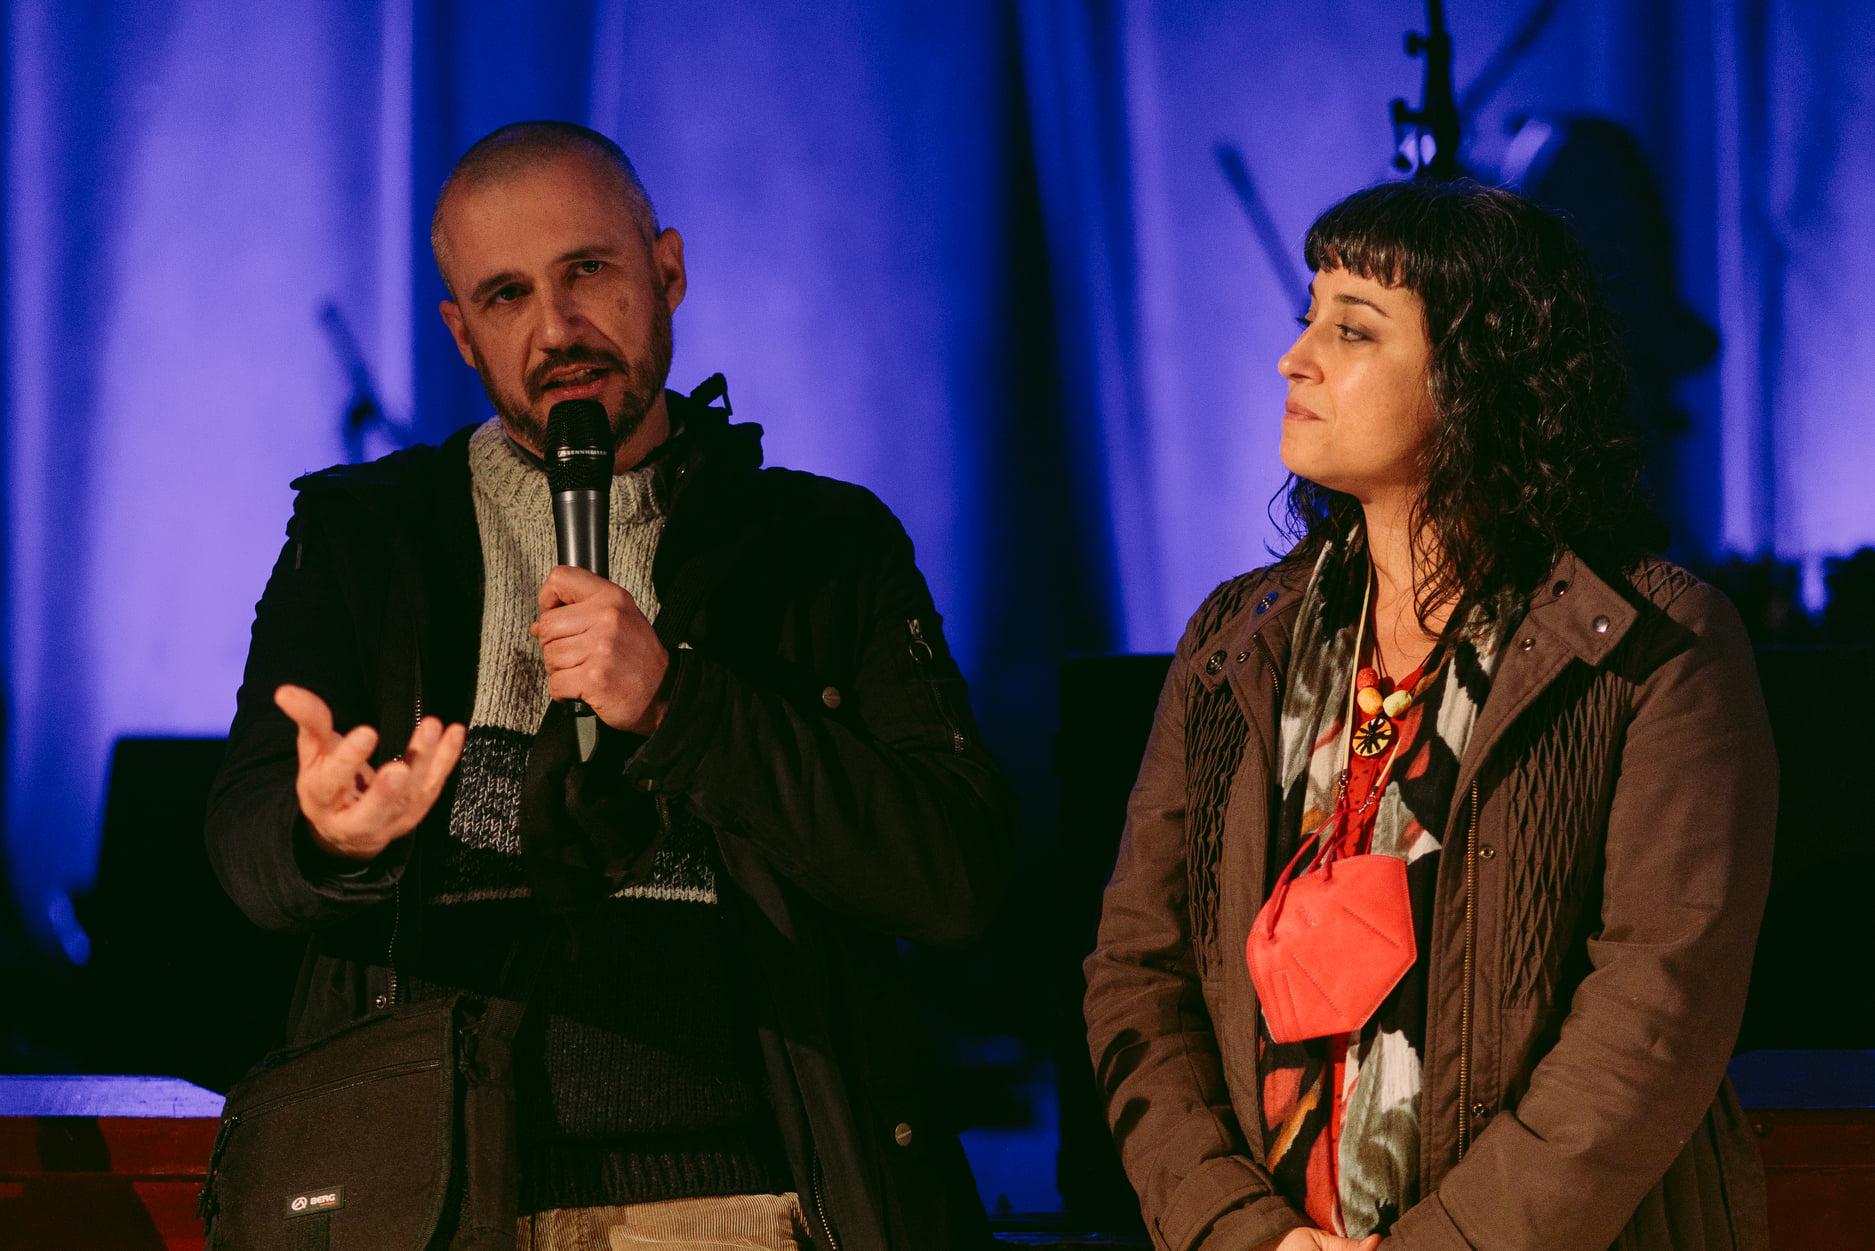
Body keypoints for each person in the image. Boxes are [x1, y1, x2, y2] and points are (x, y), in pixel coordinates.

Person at [206, 120, 1017, 1250]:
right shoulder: (362, 540)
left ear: (667, 270)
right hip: (429, 1205)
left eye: (587, 270)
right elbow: (242, 845)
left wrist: (685, 708)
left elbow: (956, 877)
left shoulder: (824, 547)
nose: (556, 329)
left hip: (737, 1204)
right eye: (505, 295)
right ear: (461, 333)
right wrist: (329, 840)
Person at [1082, 180, 1775, 1251]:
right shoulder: (1236, 640)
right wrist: (1240, 1230)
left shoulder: (1652, 645)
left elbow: (1655, 1014)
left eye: (1352, 328)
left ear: (1479, 374)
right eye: (1307, 316)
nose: (1295, 358)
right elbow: (1139, 973)